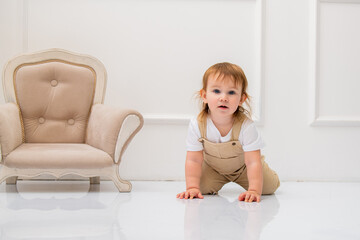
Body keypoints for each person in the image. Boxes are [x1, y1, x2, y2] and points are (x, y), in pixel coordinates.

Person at [176, 62, 280, 202]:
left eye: (231, 92)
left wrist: (254, 190)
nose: (223, 97)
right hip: (213, 169)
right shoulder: (197, 124)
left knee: (268, 188)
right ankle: (203, 184)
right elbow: (193, 159)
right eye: (216, 91)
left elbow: (252, 162)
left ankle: (262, 175)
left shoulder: (246, 126)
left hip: (244, 168)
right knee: (200, 188)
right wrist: (191, 187)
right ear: (204, 95)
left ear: (241, 99)